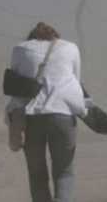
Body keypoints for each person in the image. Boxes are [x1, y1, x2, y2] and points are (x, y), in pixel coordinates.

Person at [7, 22, 87, 202]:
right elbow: (77, 82)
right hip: (64, 116)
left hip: (31, 117)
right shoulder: (71, 48)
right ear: (55, 36)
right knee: (64, 172)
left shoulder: (19, 49)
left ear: (32, 37)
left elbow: (16, 86)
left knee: (37, 175)